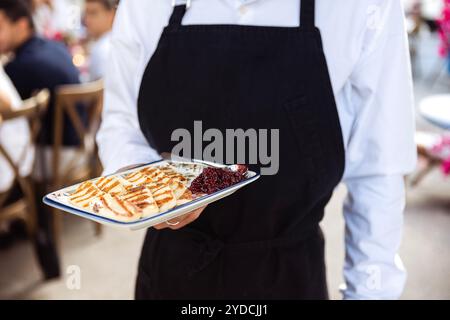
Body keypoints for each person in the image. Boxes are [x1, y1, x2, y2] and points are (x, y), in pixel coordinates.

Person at [97, 0, 416, 299]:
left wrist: (370, 292)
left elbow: (379, 167)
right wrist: (142, 181)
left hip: (289, 274)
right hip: (173, 270)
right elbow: (122, 121)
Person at [0, 0, 83, 279]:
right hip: (81, 147)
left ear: (21, 24)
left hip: (53, 156)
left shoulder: (20, 67)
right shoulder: (54, 47)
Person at [84, 0, 118, 80]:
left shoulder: (103, 49)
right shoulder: (104, 44)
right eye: (86, 13)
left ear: (111, 15)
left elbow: (101, 91)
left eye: (93, 13)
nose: (87, 20)